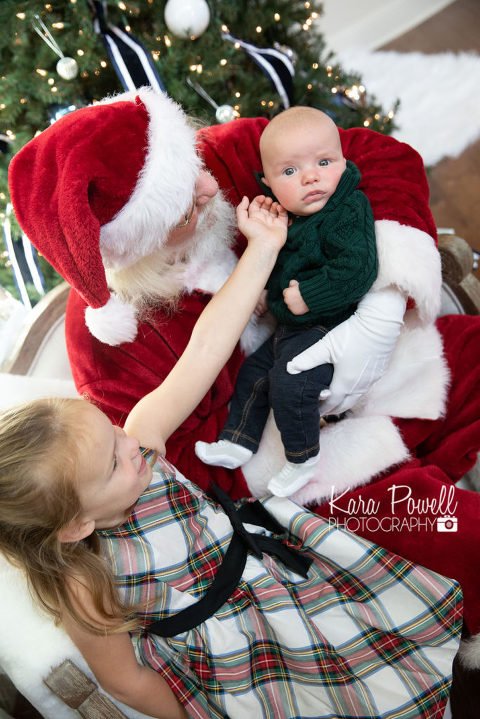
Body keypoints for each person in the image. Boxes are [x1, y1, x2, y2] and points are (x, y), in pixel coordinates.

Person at [8, 88, 480, 638]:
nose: (211, 187)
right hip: (305, 463)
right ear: (141, 241)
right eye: (184, 205)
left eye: (194, 168)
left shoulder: (222, 157)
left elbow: (371, 154)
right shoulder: (110, 347)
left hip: (377, 348)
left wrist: (382, 307)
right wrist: (300, 411)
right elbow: (193, 460)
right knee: (454, 537)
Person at [0, 195, 462, 719]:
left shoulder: (143, 439)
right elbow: (128, 682)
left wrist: (262, 251)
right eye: (112, 462)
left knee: (381, 673)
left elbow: (204, 349)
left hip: (276, 582)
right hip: (236, 664)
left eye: (113, 432)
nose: (130, 446)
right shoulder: (82, 582)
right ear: (76, 524)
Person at [196, 106, 382, 498]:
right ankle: (238, 438)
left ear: (343, 162)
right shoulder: (288, 219)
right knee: (252, 374)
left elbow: (357, 268)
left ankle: (302, 456)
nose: (311, 176)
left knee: (290, 381)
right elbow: (280, 264)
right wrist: (267, 291)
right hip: (292, 325)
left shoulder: (346, 209)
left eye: (324, 162)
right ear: (268, 184)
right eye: (290, 172)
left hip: (331, 322)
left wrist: (309, 296)